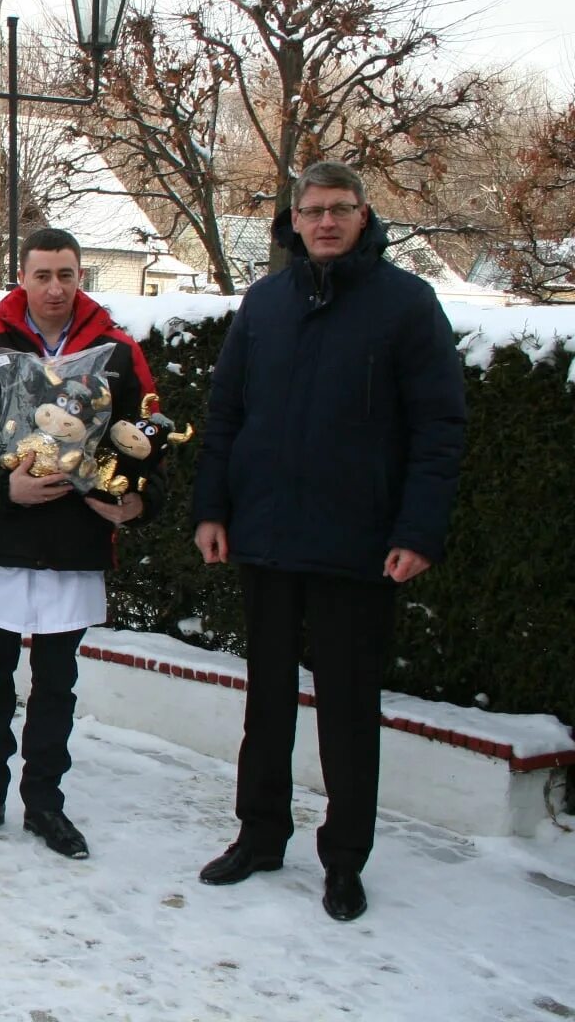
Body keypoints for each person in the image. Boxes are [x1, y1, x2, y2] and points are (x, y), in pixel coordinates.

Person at [191, 161, 466, 922]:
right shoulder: (266, 302)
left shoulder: (406, 304)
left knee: (348, 710)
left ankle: (344, 859)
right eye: (312, 210)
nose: (325, 222)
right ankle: (260, 834)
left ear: (364, 214)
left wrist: (418, 530)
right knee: (267, 702)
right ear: (294, 218)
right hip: (268, 535)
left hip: (360, 544)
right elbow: (226, 414)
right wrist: (212, 509)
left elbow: (439, 429)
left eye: (340, 209)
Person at [0, 228, 159, 859]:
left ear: (81, 276)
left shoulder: (117, 352)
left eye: (66, 275)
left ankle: (46, 804)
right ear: (21, 278)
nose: (55, 288)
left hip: (75, 543)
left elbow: (146, 444)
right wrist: (5, 490)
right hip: (2, 535)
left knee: (58, 684)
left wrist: (135, 501)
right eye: (43, 275)